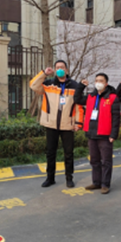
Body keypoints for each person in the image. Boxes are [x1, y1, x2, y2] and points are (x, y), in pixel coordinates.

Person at [30, 60, 84, 188]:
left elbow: (79, 106)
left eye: (62, 67)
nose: (60, 69)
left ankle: (69, 178)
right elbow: (33, 86)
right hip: (51, 124)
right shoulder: (48, 84)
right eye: (57, 67)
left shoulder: (75, 86)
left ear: (66, 70)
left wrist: (78, 122)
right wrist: (44, 74)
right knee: (50, 153)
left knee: (69, 153)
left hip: (68, 124)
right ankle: (50, 178)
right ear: (54, 70)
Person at [74, 73, 121, 194]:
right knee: (94, 160)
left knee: (106, 161)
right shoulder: (91, 96)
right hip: (92, 133)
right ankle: (96, 182)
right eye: (96, 80)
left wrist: (113, 134)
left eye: (101, 81)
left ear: (106, 83)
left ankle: (105, 184)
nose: (98, 83)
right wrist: (81, 86)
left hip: (105, 135)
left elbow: (116, 118)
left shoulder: (112, 98)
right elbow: (77, 99)